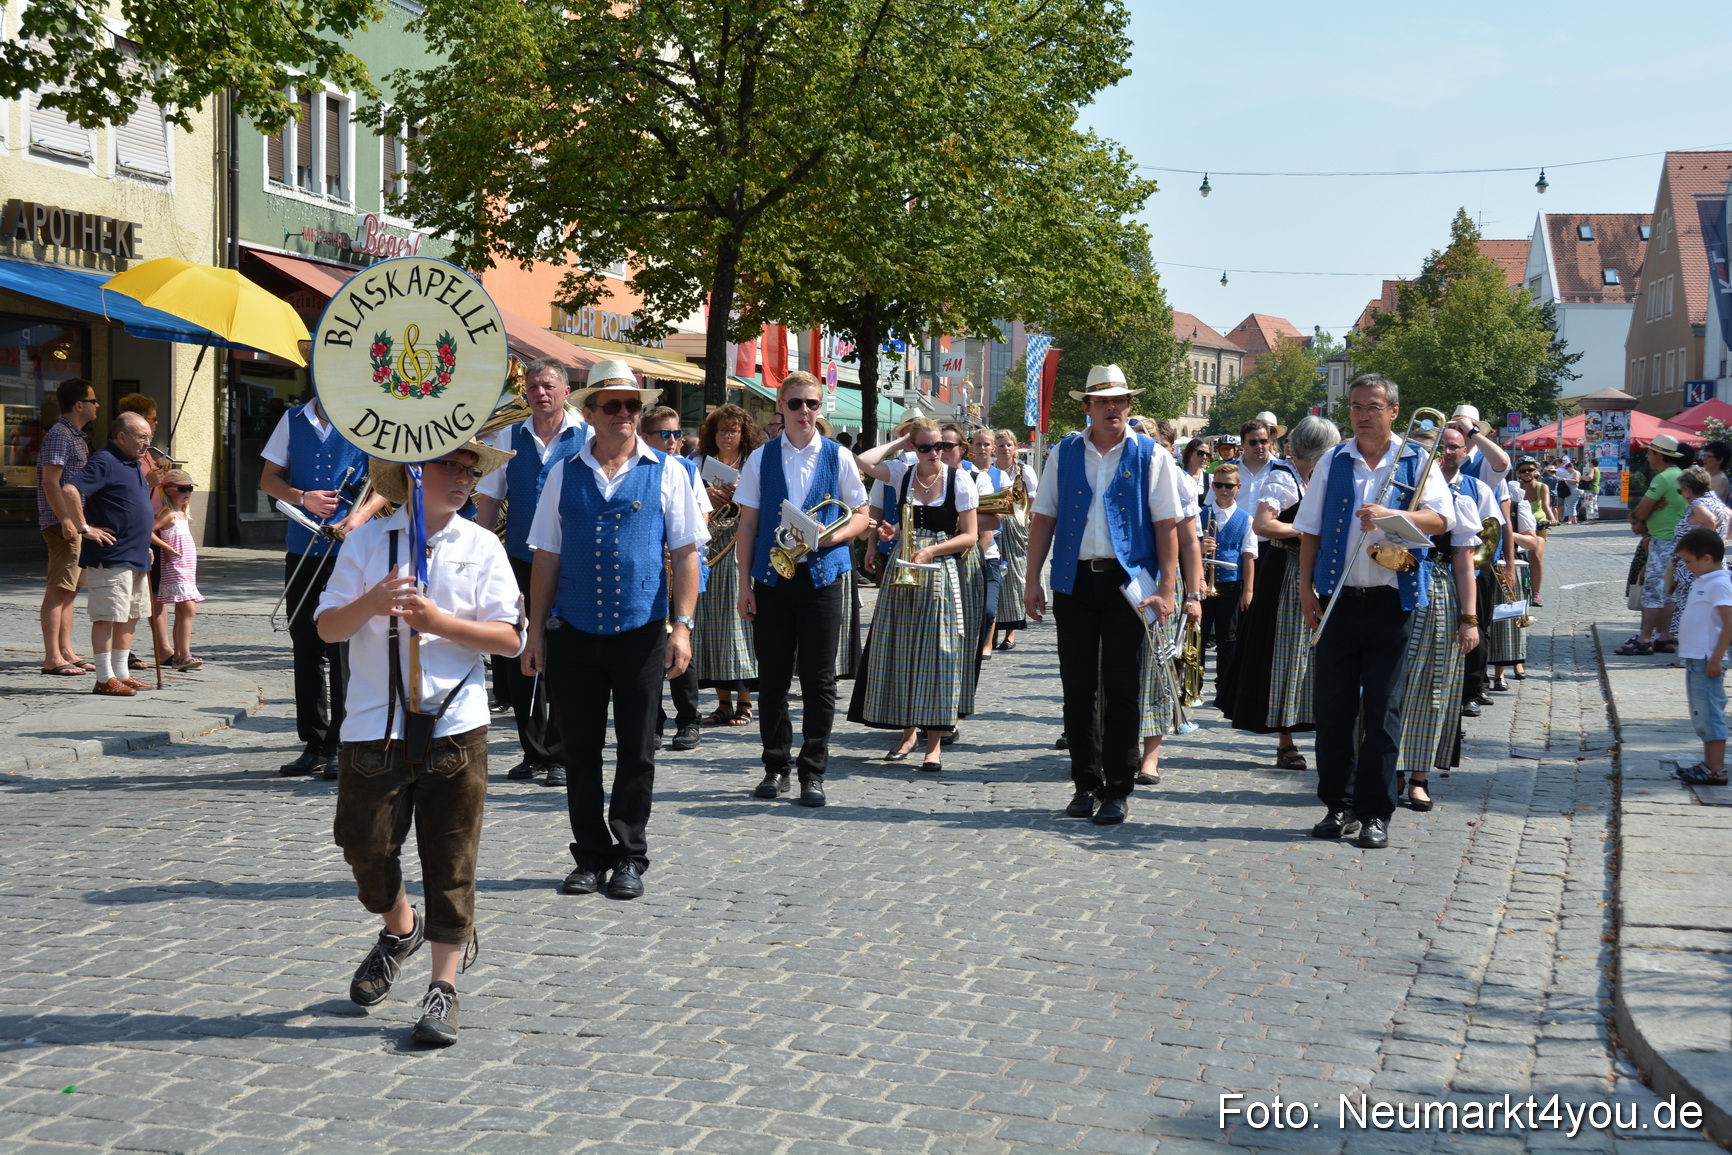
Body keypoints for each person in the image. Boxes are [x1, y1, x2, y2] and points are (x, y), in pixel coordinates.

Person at [317, 440, 523, 1048]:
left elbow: (510, 637)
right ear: (415, 472)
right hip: (373, 722)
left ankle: (443, 987)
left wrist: (441, 625)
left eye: (470, 470)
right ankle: (399, 927)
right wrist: (371, 603)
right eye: (449, 466)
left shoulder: (481, 545)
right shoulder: (368, 541)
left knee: (451, 860)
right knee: (363, 844)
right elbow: (327, 626)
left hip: (455, 722)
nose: (462, 478)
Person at [523, 361, 706, 899]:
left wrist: (683, 626)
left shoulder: (668, 471)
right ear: (590, 413)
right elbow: (546, 556)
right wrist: (535, 631)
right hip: (574, 631)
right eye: (613, 405)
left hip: (642, 631)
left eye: (633, 405)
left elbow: (686, 554)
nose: (626, 414)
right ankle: (589, 855)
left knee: (637, 749)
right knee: (578, 753)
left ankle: (629, 854)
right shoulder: (563, 471)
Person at [1024, 364, 1182, 826]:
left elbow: (1167, 525)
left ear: (1129, 406)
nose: (1113, 409)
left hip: (1127, 583)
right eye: (1104, 401)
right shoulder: (1065, 453)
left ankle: (1117, 787)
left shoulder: (1151, 455)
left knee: (1123, 688)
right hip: (1074, 580)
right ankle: (1084, 783)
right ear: (1087, 407)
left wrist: (1167, 588)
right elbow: (1043, 519)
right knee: (1077, 688)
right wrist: (1033, 579)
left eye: (1121, 401)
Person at [1297, 374, 1450, 850]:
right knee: (1333, 709)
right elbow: (1309, 529)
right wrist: (1305, 590)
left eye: (1374, 406)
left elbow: (1442, 519)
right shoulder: (1332, 460)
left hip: (1391, 600)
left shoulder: (1417, 460)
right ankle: (1336, 806)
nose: (1364, 414)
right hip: (1337, 600)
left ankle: (1375, 813)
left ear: (1394, 411)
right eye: (1357, 406)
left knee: (1384, 710)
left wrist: (1391, 518)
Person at [734, 371, 869, 806]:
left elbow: (861, 516)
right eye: (795, 404)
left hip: (822, 579)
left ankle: (813, 771)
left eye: (811, 403)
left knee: (818, 679)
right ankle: (775, 767)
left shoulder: (839, 456)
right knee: (771, 680)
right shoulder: (760, 458)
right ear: (781, 407)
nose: (804, 412)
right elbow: (748, 524)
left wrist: (829, 538)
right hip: (772, 581)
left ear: (820, 407)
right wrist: (743, 585)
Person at [473, 358, 587, 785]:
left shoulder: (587, 437)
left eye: (548, 386)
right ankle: (532, 750)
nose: (540, 393)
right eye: (534, 386)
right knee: (521, 652)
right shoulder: (507, 437)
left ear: (565, 390)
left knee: (563, 658)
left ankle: (559, 752)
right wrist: (479, 554)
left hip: (570, 560)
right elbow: (487, 502)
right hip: (518, 559)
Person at [260, 396, 385, 778]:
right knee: (305, 643)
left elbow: (385, 481)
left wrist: (360, 516)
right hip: (303, 545)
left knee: (345, 647)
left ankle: (343, 743)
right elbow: (268, 478)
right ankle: (314, 743)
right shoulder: (293, 419)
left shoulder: (365, 414)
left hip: (349, 548)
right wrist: (303, 498)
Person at [850, 417, 979, 768]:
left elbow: (969, 535)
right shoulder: (902, 472)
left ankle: (933, 743)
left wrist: (932, 550)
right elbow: (861, 462)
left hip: (938, 569)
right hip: (904, 569)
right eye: (925, 447)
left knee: (938, 653)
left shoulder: (959, 479)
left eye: (939, 446)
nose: (935, 453)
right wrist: (899, 442)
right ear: (913, 448)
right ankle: (907, 734)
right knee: (903, 649)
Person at [1221, 416, 1339, 769]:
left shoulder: (1312, 479)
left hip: (1313, 569)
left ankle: (1320, 727)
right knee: (1288, 653)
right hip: (1287, 571)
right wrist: (1302, 532)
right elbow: (1263, 523)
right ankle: (1285, 739)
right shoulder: (1283, 478)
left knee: (1316, 654)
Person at [1390, 427, 1482, 811]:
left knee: (1433, 688)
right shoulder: (1395, 493)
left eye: (1444, 450)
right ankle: (1388, 770)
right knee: (1390, 683)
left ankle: (1418, 777)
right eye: (1429, 451)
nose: (1438, 456)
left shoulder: (1460, 501)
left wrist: (1469, 618)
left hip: (1439, 591)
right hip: (1393, 585)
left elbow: (1465, 567)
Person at [59, 410, 159, 697]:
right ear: (122, 436)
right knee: (107, 616)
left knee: (131, 615)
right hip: (112, 554)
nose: (147, 443)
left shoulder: (132, 462)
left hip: (135, 553)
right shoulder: (105, 460)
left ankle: (121, 673)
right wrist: (84, 527)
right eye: (142, 437)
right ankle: (104, 678)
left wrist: (145, 546)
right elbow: (70, 489)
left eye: (149, 437)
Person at [643, 404, 713, 753]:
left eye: (676, 435)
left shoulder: (686, 468)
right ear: (645, 437)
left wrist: (678, 544)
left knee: (681, 646)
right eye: (664, 435)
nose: (673, 441)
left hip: (680, 571)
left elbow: (701, 516)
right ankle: (652, 722)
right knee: (649, 651)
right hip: (650, 575)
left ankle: (688, 719)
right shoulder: (638, 468)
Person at [691, 404, 763, 726]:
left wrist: (740, 495)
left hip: (739, 547)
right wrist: (707, 493)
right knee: (714, 623)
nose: (727, 435)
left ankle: (745, 702)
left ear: (743, 433)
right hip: (711, 546)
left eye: (733, 430)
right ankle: (723, 703)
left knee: (739, 624)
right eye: (722, 430)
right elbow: (690, 500)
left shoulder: (752, 463)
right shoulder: (699, 463)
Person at [37, 379, 98, 678]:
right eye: (93, 400)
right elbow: (51, 481)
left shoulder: (76, 436)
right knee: (59, 589)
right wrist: (65, 520)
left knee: (71, 590)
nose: (97, 405)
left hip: (77, 524)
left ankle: (66, 651)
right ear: (79, 405)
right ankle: (52, 658)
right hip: (64, 524)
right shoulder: (60, 434)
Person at [1616, 435, 1691, 655]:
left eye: (1650, 453)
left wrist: (1647, 514)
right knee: (1669, 592)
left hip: (1662, 541)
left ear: (1659, 455)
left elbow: (1640, 512)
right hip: (1678, 540)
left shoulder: (1662, 478)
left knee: (1653, 592)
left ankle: (1644, 638)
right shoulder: (1681, 475)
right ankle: (1664, 636)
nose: (1648, 457)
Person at [1676, 526, 1732, 786]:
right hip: (1696, 658)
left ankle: (1717, 769)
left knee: (1709, 714)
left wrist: (1717, 657)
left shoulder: (1719, 583)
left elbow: (1728, 622)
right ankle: (1709, 763)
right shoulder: (1704, 580)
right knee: (1701, 714)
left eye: (1689, 561)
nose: (1686, 566)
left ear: (1707, 558)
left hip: (1707, 658)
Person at [1198, 462, 1254, 703]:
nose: (1223, 489)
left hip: (1231, 584)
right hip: (1202, 582)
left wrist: (1248, 590)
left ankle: (1225, 688)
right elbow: (1187, 551)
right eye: (1219, 485)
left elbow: (1248, 556)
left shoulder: (1245, 518)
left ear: (1238, 488)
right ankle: (1193, 685)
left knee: (1227, 637)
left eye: (1228, 486)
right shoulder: (1201, 514)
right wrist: (1201, 547)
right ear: (1213, 485)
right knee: (1198, 637)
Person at [1666, 468, 1732, 643]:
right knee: (1706, 611)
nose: (1682, 495)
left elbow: (1709, 520)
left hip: (1695, 568)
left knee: (1691, 610)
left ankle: (1690, 653)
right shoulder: (1719, 504)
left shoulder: (1698, 504)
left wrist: (1707, 541)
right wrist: (1721, 541)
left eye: (1681, 491)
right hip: (1713, 565)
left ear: (1688, 489)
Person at [990, 429, 1038, 652]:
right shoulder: (989, 471)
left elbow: (1033, 502)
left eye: (1009, 445)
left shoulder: (1024, 471)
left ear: (1015, 447)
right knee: (995, 575)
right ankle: (993, 630)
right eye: (1001, 445)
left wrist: (1032, 527)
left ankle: (1011, 631)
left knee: (1015, 577)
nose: (1005, 449)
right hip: (995, 526)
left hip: (1017, 528)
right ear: (994, 449)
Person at [152, 469, 205, 670]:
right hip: (175, 567)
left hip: (187, 568)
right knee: (189, 608)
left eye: (190, 489)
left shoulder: (183, 514)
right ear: (168, 491)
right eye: (182, 489)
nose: (187, 493)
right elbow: (148, 531)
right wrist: (166, 547)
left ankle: (179, 656)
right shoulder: (168, 514)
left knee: (183, 611)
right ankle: (184, 654)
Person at [1514, 458, 1554, 607]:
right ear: (1518, 473)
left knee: (1535, 556)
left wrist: (1552, 519)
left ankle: (1536, 592)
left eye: (1530, 470)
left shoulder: (1542, 487)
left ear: (1536, 471)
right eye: (1523, 471)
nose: (1527, 473)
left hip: (1538, 527)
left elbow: (1545, 505)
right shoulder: (1516, 488)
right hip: (1520, 528)